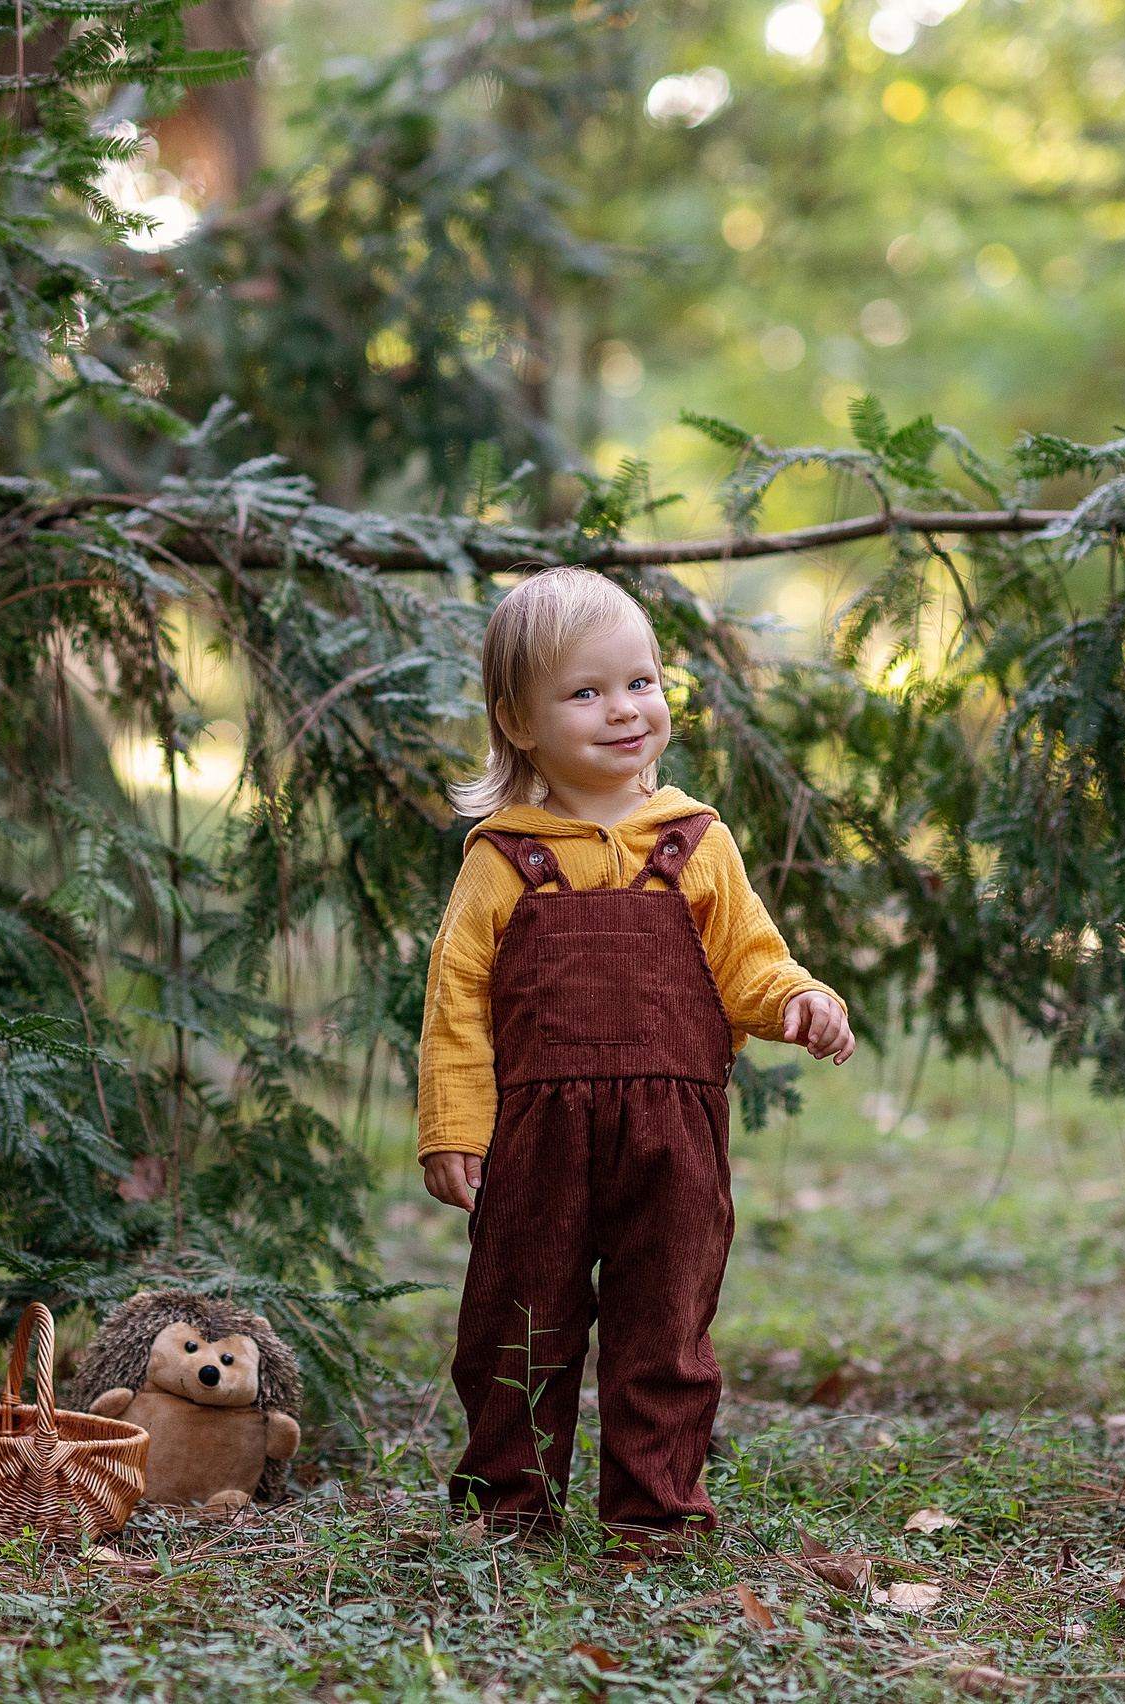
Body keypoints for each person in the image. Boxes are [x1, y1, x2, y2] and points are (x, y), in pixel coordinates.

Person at [418, 565, 856, 1553]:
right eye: (585, 692)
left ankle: (655, 1511)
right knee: (515, 1325)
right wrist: (453, 1125)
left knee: (666, 1328)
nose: (624, 711)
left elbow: (750, 962)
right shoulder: (501, 860)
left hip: (675, 1139)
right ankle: (508, 1507)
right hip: (538, 1137)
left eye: (640, 682)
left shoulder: (694, 843)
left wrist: (799, 1001)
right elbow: (455, 1005)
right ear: (518, 722)